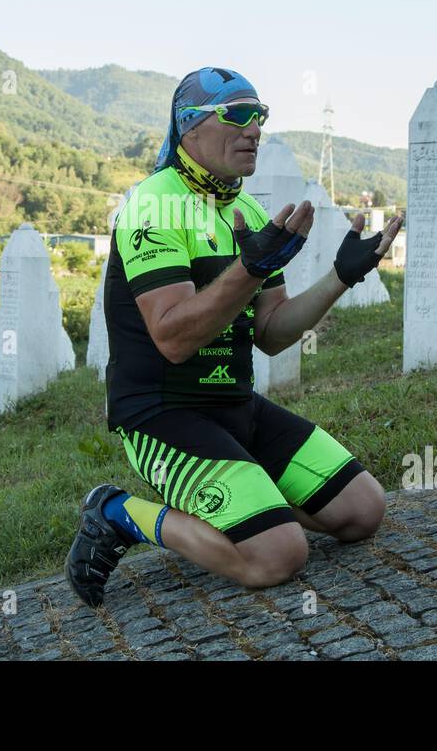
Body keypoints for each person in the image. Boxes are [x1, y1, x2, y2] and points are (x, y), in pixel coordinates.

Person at [65, 67, 402, 607]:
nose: (255, 130)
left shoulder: (244, 210)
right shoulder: (153, 206)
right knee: (276, 556)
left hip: (234, 404)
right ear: (190, 126)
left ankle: (248, 506)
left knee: (364, 511)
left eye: (260, 115)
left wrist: (343, 277)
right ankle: (116, 512)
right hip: (160, 414)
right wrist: (249, 268)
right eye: (240, 115)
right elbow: (173, 338)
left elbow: (271, 332)